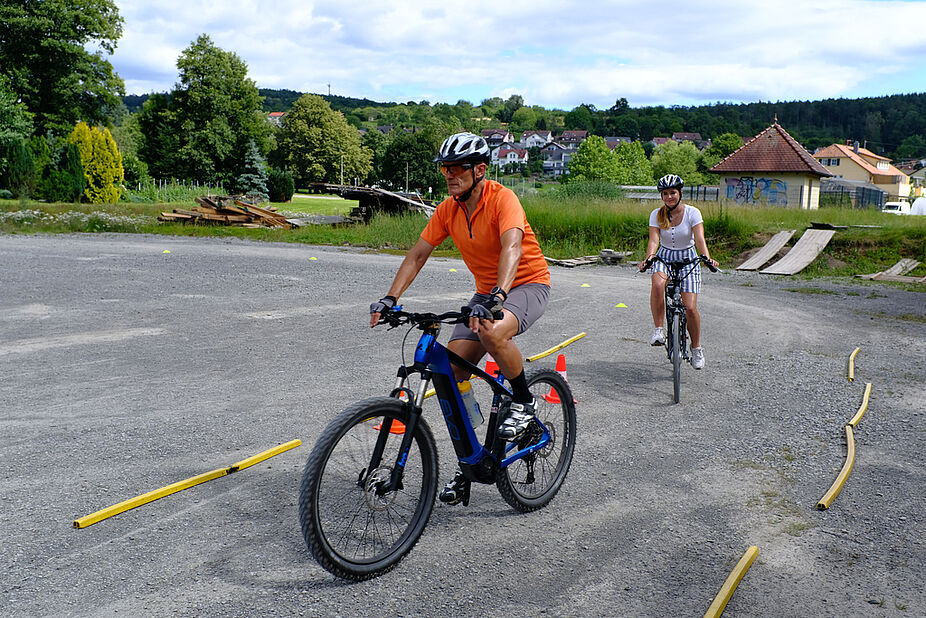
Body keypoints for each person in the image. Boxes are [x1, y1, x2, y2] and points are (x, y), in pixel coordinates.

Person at [369, 131, 552, 504]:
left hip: (527, 284)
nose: (449, 175)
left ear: (479, 169)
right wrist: (391, 298)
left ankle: (524, 403)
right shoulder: (448, 210)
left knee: (493, 333)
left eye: (456, 168)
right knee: (452, 373)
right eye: (445, 169)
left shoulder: (504, 199)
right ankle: (472, 459)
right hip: (487, 293)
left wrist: (498, 296)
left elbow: (512, 247)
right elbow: (418, 254)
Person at [639, 174, 718, 370]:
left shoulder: (693, 213)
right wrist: (649, 257)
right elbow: (654, 241)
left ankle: (696, 348)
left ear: (680, 193)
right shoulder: (656, 214)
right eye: (665, 194)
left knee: (690, 308)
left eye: (673, 193)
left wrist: (706, 257)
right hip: (664, 256)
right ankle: (659, 330)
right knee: (657, 283)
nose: (669, 197)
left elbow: (699, 239)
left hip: (688, 258)